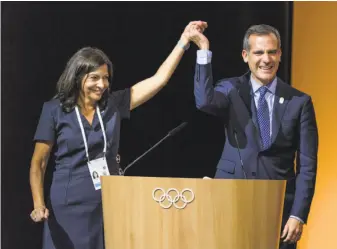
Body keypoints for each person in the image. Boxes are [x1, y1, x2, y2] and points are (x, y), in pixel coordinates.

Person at [29, 20, 208, 249]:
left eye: (105, 78)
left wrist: (184, 41)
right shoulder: (54, 110)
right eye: (94, 78)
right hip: (68, 205)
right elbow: (39, 162)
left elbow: (158, 80)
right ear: (77, 77)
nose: (102, 84)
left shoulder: (112, 104)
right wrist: (38, 204)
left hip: (109, 200)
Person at [189, 23, 318, 249]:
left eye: (271, 52)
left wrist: (298, 215)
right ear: (245, 56)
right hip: (230, 201)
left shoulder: (299, 102)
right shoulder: (231, 89)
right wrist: (203, 50)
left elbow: (307, 166)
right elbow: (204, 101)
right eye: (258, 52)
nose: (265, 59)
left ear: (279, 55)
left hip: (278, 210)